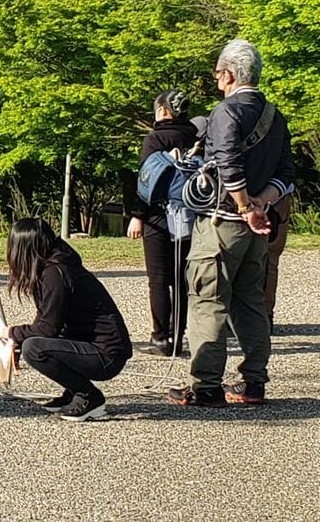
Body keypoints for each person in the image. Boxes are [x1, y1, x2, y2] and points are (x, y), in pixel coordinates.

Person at [167, 39, 295, 407]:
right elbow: (286, 172)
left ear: (228, 74)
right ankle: (253, 382)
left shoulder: (226, 112)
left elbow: (226, 162)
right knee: (250, 302)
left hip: (225, 222)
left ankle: (206, 385)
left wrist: (244, 206)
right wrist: (262, 202)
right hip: (259, 228)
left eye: (218, 73)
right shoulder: (275, 114)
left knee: (207, 301)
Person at [5, 218, 133, 422]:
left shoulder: (55, 273)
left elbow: (47, 329)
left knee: (34, 348)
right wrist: (15, 340)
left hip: (106, 355)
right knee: (32, 343)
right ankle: (73, 392)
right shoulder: (56, 266)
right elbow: (49, 319)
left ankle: (89, 397)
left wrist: (10, 332)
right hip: (97, 347)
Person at [127, 90, 199, 357]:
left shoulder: (154, 139)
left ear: (163, 111)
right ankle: (179, 337)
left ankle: (160, 339)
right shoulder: (196, 137)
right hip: (190, 213)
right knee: (182, 280)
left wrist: (137, 215)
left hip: (157, 216)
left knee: (158, 280)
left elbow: (146, 181)